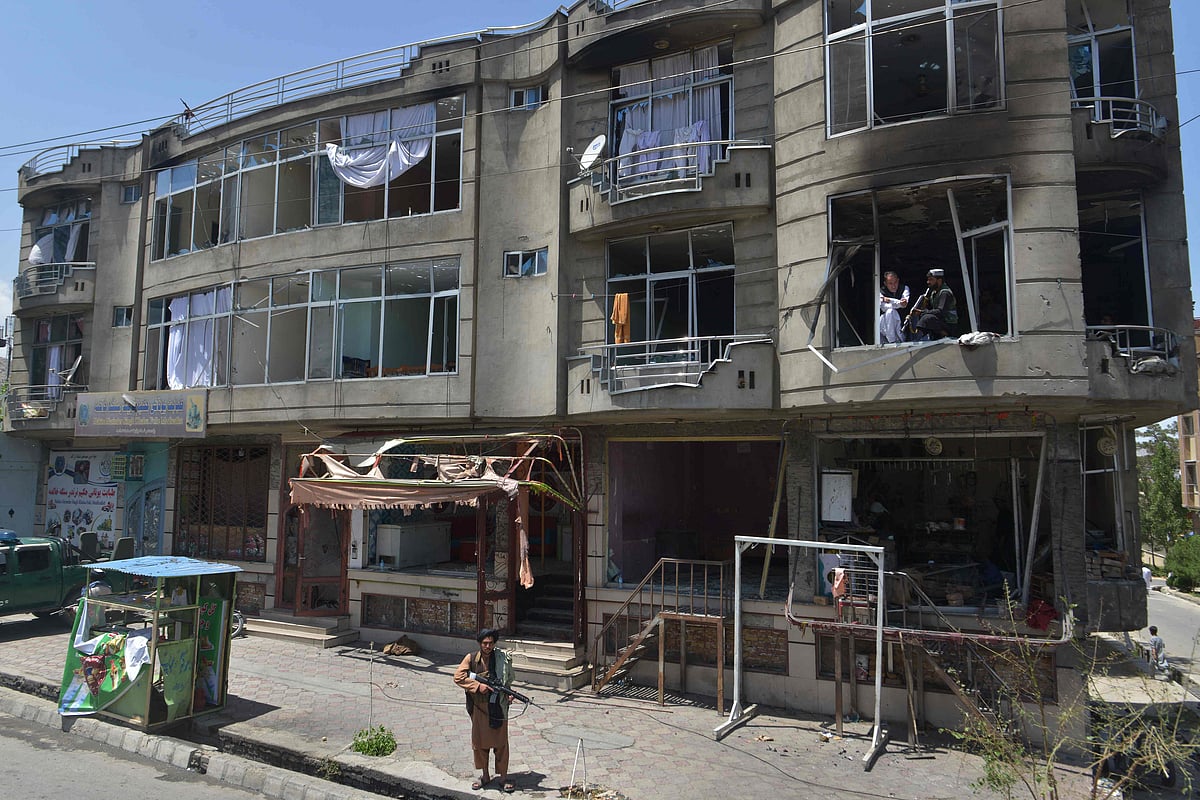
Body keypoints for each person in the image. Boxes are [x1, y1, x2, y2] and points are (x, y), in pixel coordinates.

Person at [454, 628, 515, 792]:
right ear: (480, 643)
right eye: (485, 643)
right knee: (481, 744)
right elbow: (458, 677)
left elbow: (507, 678)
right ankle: (485, 775)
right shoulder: (471, 658)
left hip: (499, 706)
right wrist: (477, 685)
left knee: (501, 743)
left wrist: (508, 694)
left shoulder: (501, 658)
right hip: (480, 708)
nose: (488, 646)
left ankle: (503, 778)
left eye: (490, 643)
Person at [911, 268, 958, 340]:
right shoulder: (934, 293)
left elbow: (940, 311)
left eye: (931, 280)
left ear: (939, 280)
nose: (928, 282)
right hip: (941, 322)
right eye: (928, 279)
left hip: (949, 324)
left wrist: (922, 312)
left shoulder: (945, 293)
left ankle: (946, 335)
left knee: (928, 318)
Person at [878, 271, 910, 344]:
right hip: (885, 327)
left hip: (902, 324)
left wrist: (889, 300)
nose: (893, 286)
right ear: (885, 283)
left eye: (895, 282)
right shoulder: (880, 292)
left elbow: (904, 304)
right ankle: (892, 341)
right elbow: (884, 307)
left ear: (898, 281)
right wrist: (898, 303)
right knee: (890, 311)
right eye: (890, 283)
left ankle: (896, 339)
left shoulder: (905, 288)